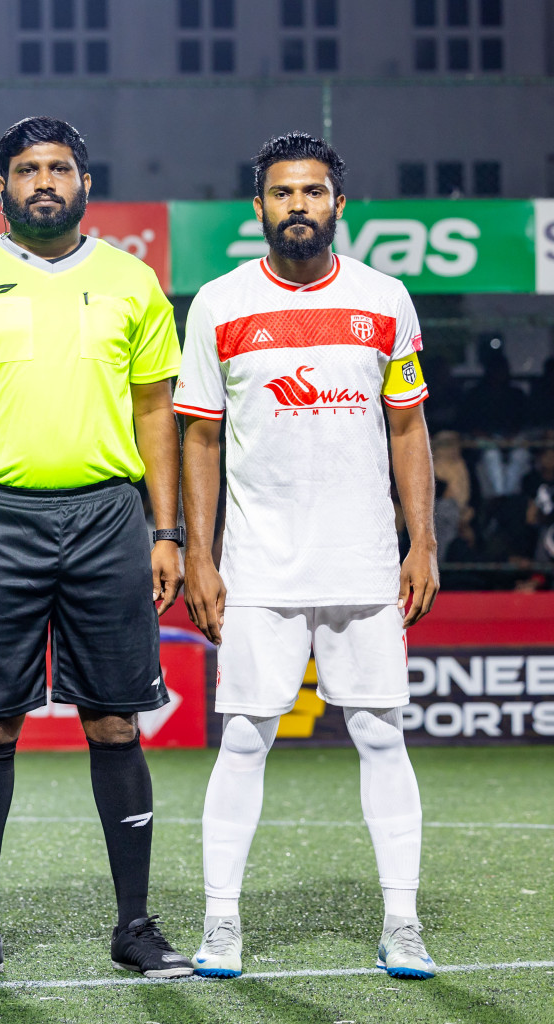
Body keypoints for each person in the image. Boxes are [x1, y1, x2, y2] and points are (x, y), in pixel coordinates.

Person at [0, 116, 191, 982]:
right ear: (1, 186)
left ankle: (136, 925)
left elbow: (156, 411)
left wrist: (167, 528)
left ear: (84, 183)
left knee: (115, 719)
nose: (43, 181)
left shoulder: (132, 280)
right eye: (27, 169)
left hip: (109, 519)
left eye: (59, 168)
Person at [178, 132, 439, 980]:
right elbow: (201, 440)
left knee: (378, 732)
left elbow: (408, 428)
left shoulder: (385, 298)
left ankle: (401, 921)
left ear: (339, 205)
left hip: (364, 559)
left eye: (314, 192)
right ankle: (221, 924)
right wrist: (201, 556)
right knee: (245, 738)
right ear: (258, 208)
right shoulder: (218, 303)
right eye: (283, 193)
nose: (299, 205)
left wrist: (421, 540)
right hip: (257, 563)